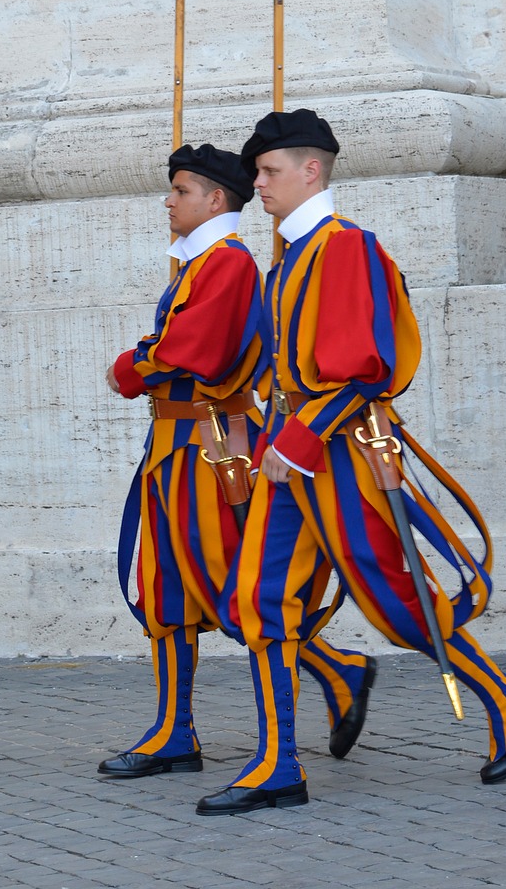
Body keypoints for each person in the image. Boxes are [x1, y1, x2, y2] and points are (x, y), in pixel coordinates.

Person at [197, 109, 506, 815]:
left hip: (340, 456)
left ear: (311, 170)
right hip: (291, 454)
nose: (256, 185)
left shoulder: (344, 247)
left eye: (268, 173)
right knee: (258, 602)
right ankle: (276, 764)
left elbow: (365, 367)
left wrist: (295, 442)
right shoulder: (290, 255)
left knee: (393, 601)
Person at [98, 143, 378, 780]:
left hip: (213, 446)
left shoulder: (227, 262)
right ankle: (174, 731)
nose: (169, 201)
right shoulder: (203, 262)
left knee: (231, 583)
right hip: (176, 447)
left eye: (181, 191)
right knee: (168, 588)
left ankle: (335, 672)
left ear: (214, 200)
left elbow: (197, 350)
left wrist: (133, 365)